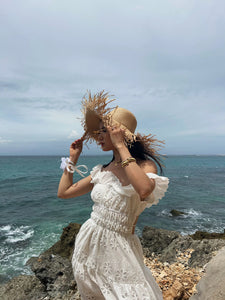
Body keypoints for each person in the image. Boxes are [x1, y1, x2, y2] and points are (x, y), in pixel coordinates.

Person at [58, 91, 169, 300]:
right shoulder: (102, 170)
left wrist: (120, 146)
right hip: (89, 241)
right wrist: (72, 159)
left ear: (119, 133)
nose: (99, 136)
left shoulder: (145, 165)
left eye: (103, 131)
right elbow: (64, 193)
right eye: (98, 132)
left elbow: (144, 190)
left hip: (121, 246)